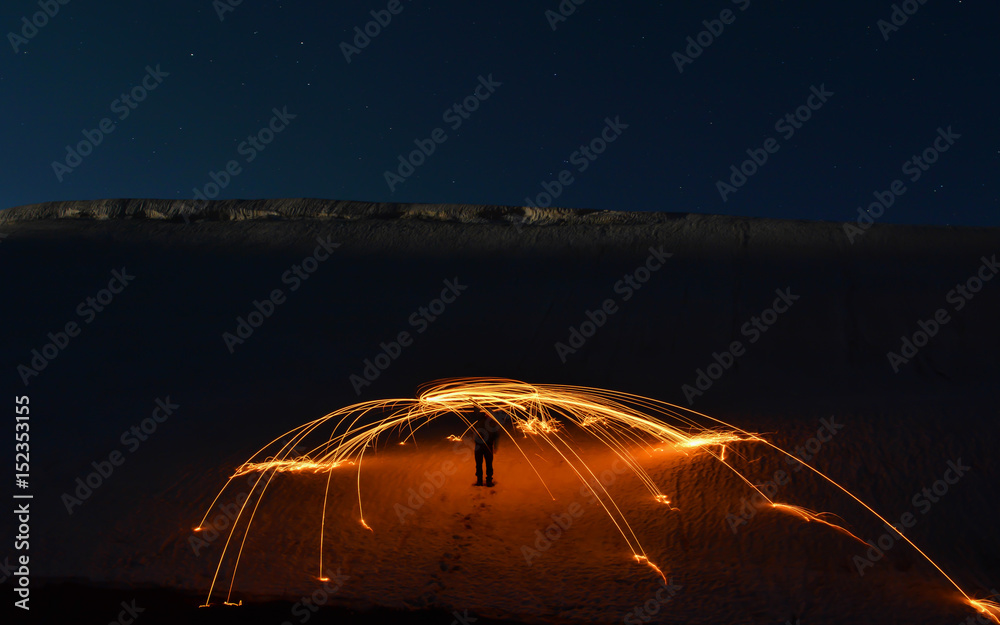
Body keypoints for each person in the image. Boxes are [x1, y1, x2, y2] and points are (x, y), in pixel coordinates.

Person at [472, 406, 500, 487]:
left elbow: (496, 436)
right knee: (478, 464)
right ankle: (479, 481)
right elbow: (476, 411)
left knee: (489, 464)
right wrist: (475, 401)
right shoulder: (480, 419)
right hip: (478, 445)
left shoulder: (493, 423)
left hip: (488, 445)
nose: (487, 414)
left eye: (489, 413)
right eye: (486, 413)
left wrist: (495, 447)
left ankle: (489, 481)